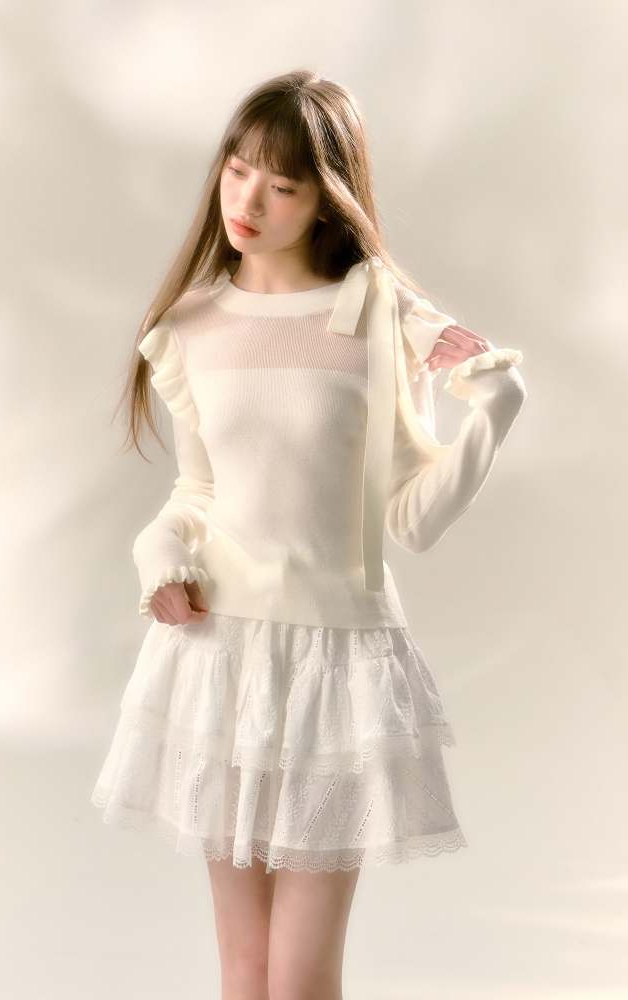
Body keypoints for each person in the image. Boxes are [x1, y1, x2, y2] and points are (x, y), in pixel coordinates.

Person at [92, 69, 527, 1000]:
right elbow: (199, 489)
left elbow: (412, 517)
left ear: (327, 198)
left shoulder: (377, 315)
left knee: (298, 978)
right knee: (244, 973)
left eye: (282, 184)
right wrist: (157, 556)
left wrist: (495, 408)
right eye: (238, 169)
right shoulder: (190, 326)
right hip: (221, 660)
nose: (248, 201)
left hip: (339, 669)